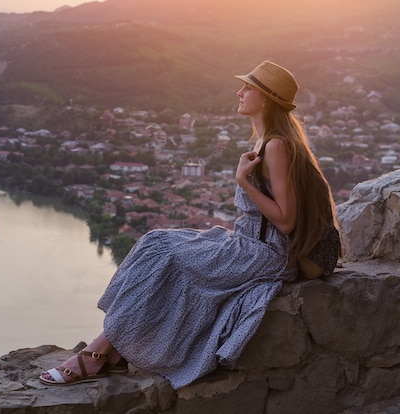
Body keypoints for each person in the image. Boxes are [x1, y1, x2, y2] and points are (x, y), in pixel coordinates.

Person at [40, 60, 338, 389]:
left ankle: (98, 353)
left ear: (266, 98)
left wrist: (244, 181)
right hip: (247, 242)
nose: (239, 92)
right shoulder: (269, 140)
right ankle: (112, 348)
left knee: (168, 257)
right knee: (157, 243)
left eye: (248, 87)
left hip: (264, 254)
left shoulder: (277, 145)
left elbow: (285, 220)